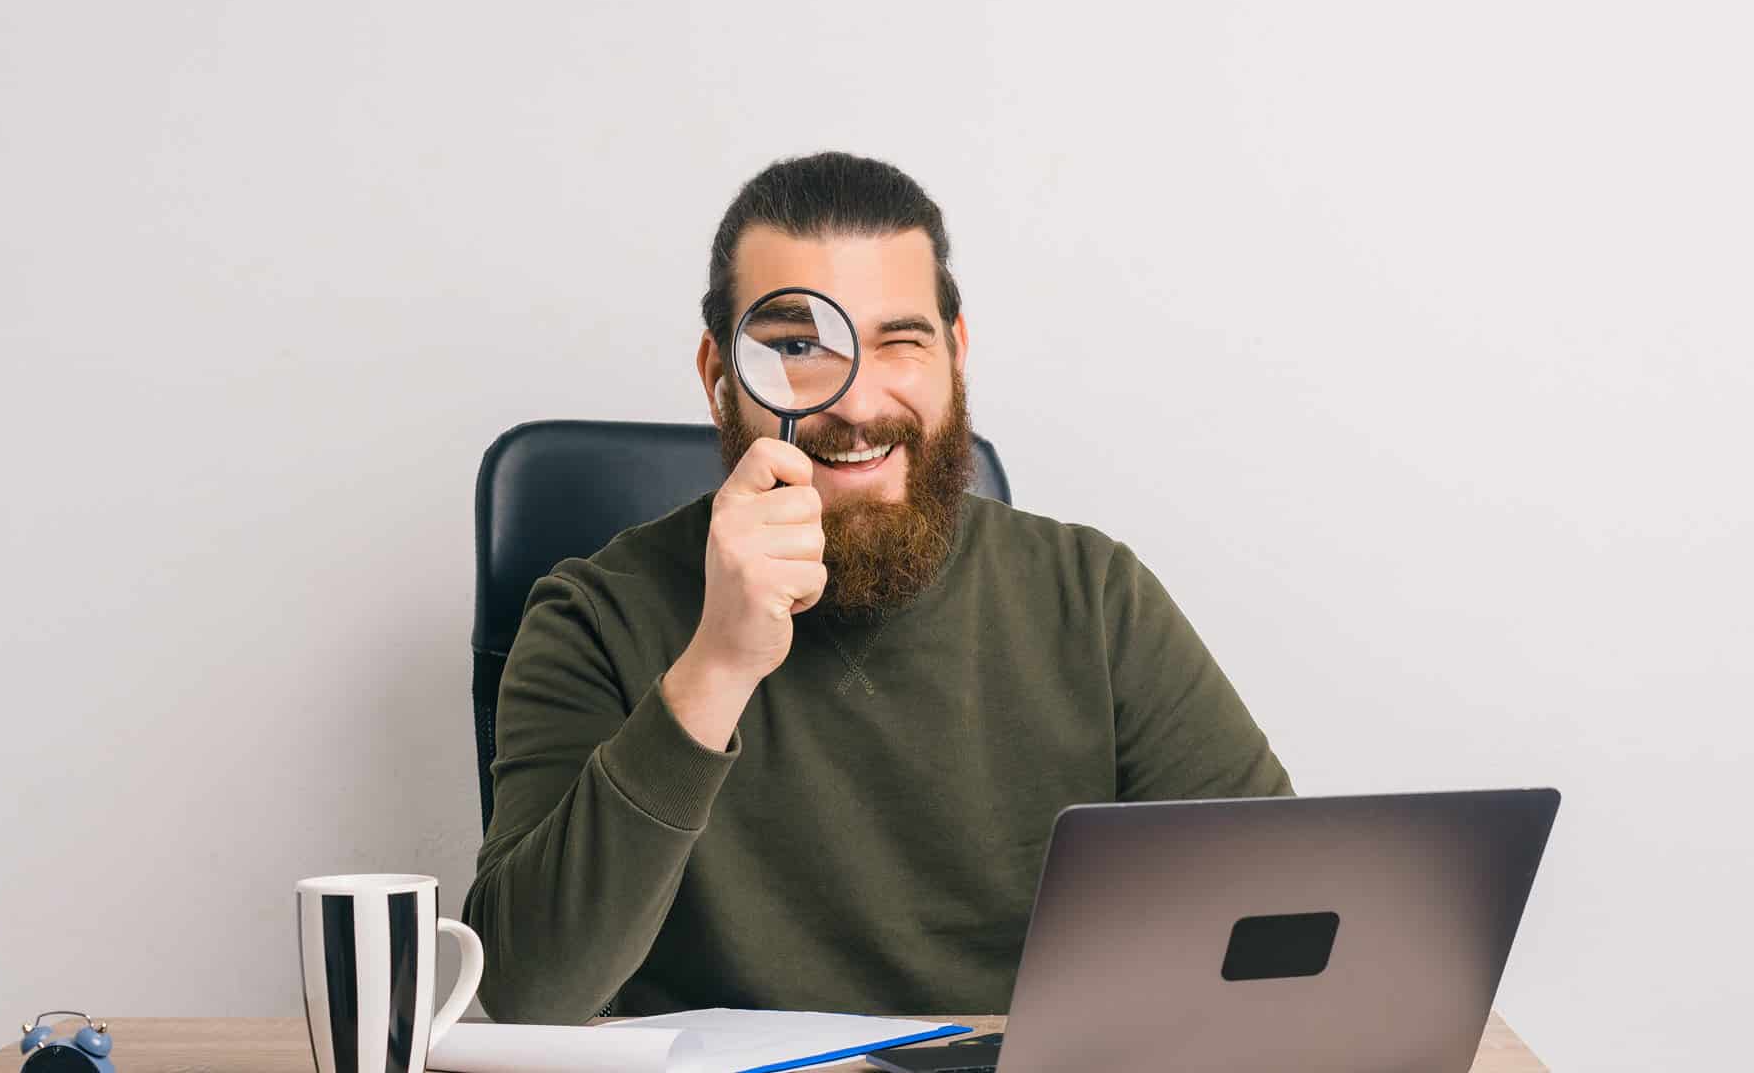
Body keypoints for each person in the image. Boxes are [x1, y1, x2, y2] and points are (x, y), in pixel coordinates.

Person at [464, 152, 1293, 1024]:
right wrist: (716, 666)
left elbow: (1286, 917)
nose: (857, 405)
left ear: (956, 356)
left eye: (901, 341)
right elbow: (529, 995)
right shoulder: (592, 618)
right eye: (795, 349)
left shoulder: (1094, 597)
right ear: (719, 379)